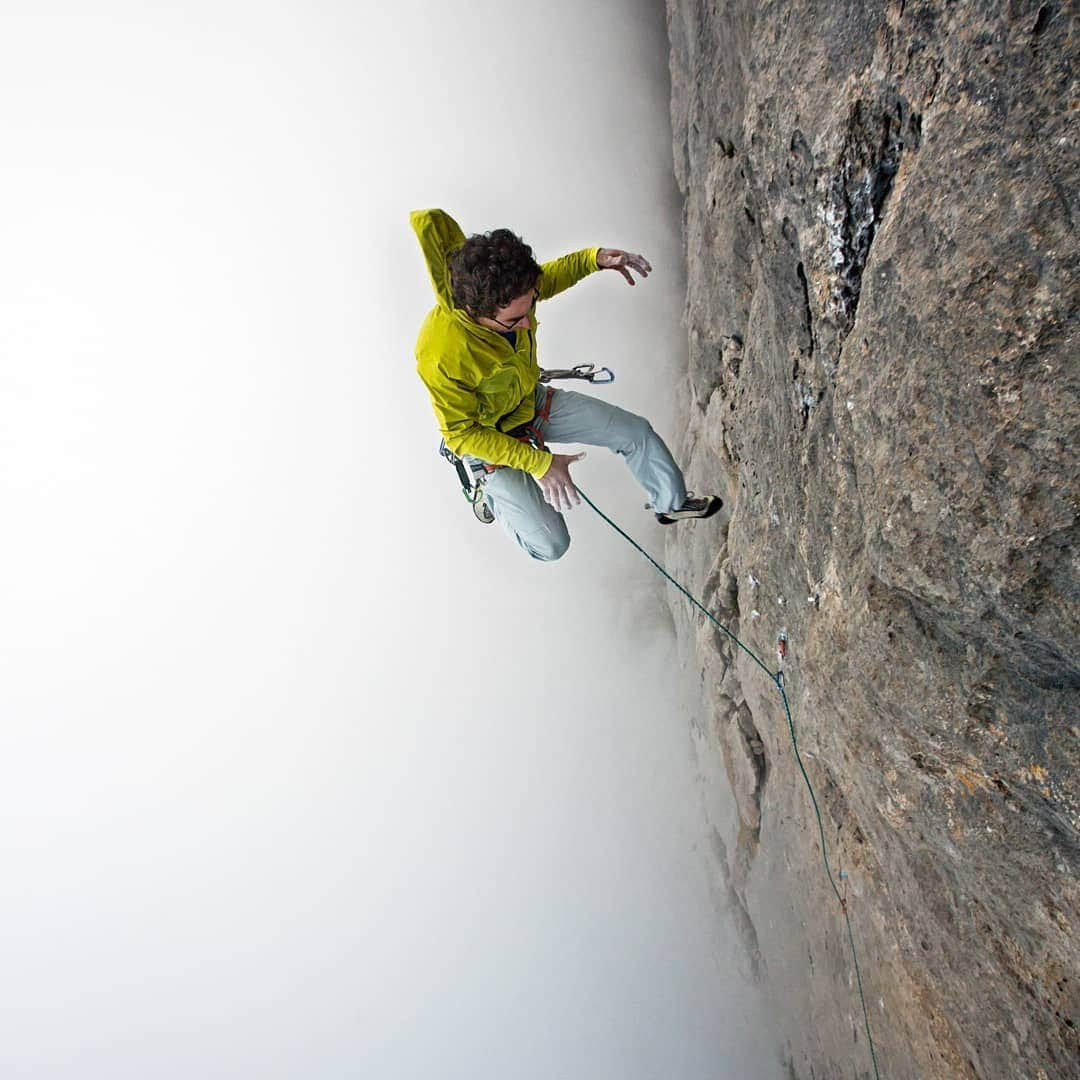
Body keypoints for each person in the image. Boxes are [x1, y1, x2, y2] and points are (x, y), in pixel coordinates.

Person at [410, 208, 721, 561]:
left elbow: (550, 278)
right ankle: (490, 494)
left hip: (530, 403)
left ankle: (672, 503)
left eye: (531, 308)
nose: (528, 323)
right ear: (476, 310)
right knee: (553, 545)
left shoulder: (512, 292)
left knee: (635, 432)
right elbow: (461, 435)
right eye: (515, 320)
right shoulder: (441, 352)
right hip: (489, 441)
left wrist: (594, 259)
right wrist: (541, 464)